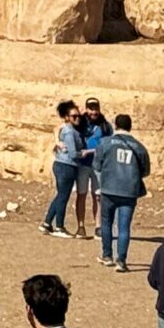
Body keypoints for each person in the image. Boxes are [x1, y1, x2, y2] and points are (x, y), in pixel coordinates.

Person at [91, 113, 150, 271]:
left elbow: (96, 165)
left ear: (115, 125)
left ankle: (107, 255)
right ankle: (121, 261)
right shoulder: (139, 146)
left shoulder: (105, 143)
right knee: (124, 227)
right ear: (130, 127)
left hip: (109, 188)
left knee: (106, 222)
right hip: (129, 191)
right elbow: (145, 171)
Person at [41, 102, 84, 236]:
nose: (77, 118)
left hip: (63, 165)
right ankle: (59, 226)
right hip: (67, 165)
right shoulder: (69, 132)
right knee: (63, 196)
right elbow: (73, 154)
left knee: (60, 195)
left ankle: (47, 223)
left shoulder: (67, 128)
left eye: (78, 115)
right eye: (74, 116)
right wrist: (85, 153)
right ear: (66, 117)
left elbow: (56, 129)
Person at [71, 101, 107, 239]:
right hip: (82, 165)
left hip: (98, 165)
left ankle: (98, 227)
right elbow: (62, 128)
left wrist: (90, 151)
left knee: (98, 196)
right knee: (81, 195)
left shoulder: (105, 125)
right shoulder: (79, 121)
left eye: (96, 109)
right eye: (91, 109)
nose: (93, 112)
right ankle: (81, 227)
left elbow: (106, 145)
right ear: (86, 109)